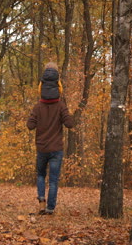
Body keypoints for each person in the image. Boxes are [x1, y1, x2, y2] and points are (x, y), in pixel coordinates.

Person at [27, 62, 74, 215]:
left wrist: (36, 118)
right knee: (53, 180)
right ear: (58, 85)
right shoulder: (61, 106)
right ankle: (50, 208)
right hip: (56, 149)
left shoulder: (37, 107)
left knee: (41, 175)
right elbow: (69, 123)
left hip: (42, 148)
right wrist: (66, 113)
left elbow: (30, 125)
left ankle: (41, 199)